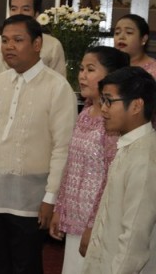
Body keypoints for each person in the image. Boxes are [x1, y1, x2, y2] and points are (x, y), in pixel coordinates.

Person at [0, 14, 77, 274]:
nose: (9, 47)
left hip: (32, 198)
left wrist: (51, 198)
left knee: (26, 266)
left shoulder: (57, 87)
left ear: (37, 44)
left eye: (17, 40)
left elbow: (63, 148)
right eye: (4, 40)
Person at [48, 46, 129, 274]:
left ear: (110, 76)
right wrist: (59, 208)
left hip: (97, 222)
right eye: (82, 69)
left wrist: (93, 226)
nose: (82, 75)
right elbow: (71, 164)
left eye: (90, 69)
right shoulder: (85, 112)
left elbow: (110, 179)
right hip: (74, 217)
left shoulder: (111, 119)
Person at [81, 66, 156, 274]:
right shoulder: (128, 147)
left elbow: (133, 240)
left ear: (136, 106)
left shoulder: (145, 158)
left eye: (108, 101)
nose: (103, 109)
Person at [0, 0, 66, 129]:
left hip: (34, 120)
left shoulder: (52, 45)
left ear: (36, 13)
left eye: (25, 9)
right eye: (14, 9)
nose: (18, 13)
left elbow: (59, 91)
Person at [113, 13, 156, 78]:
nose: (121, 37)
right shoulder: (108, 66)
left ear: (143, 39)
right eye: (117, 33)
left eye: (129, 32)